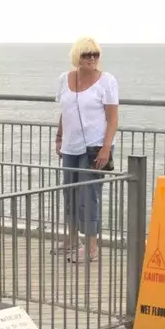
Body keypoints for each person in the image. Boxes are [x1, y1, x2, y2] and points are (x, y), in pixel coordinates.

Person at [54, 36, 119, 263]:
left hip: (93, 147)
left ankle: (91, 246)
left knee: (89, 196)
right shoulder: (65, 79)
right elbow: (66, 110)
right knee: (69, 193)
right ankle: (72, 237)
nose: (91, 58)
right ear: (76, 57)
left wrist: (105, 148)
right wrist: (59, 137)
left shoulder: (107, 81)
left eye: (95, 54)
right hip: (70, 146)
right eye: (86, 54)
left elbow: (112, 119)